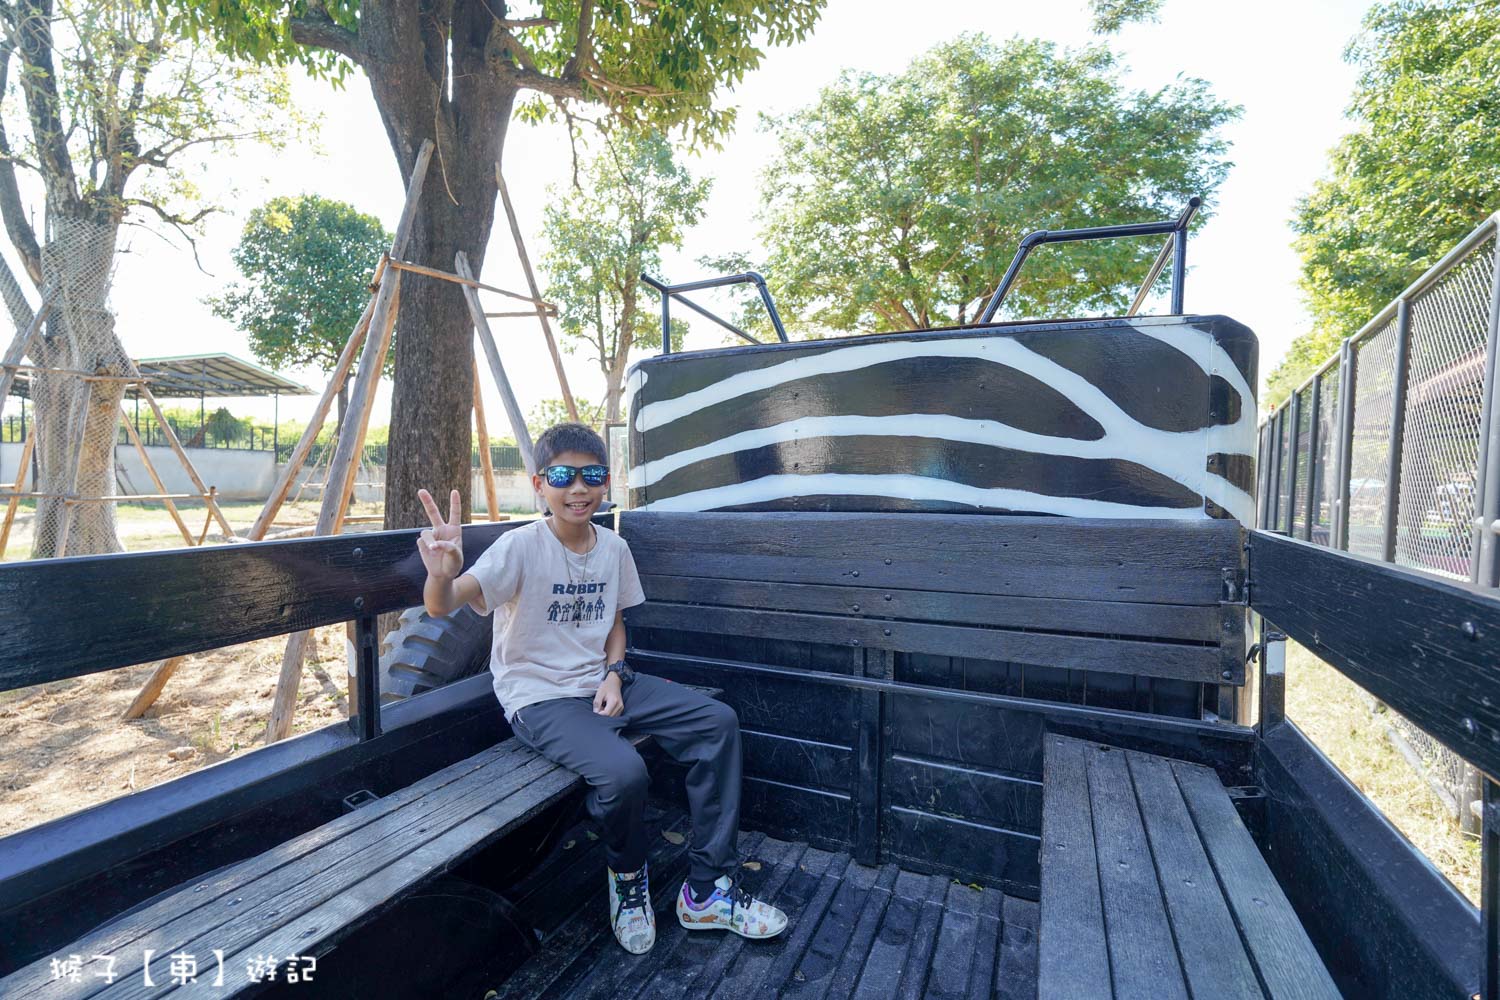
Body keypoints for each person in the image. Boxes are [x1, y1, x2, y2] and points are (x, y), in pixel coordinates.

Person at [414, 422, 788, 955]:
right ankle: (628, 878)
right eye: (563, 475)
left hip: (601, 681)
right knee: (623, 772)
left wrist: (615, 672)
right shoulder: (518, 546)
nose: (578, 488)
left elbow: (614, 622)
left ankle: (707, 890)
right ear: (539, 483)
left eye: (592, 475)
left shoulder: (613, 547)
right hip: (539, 696)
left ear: (606, 481)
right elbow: (442, 604)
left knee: (717, 722)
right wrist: (442, 572)